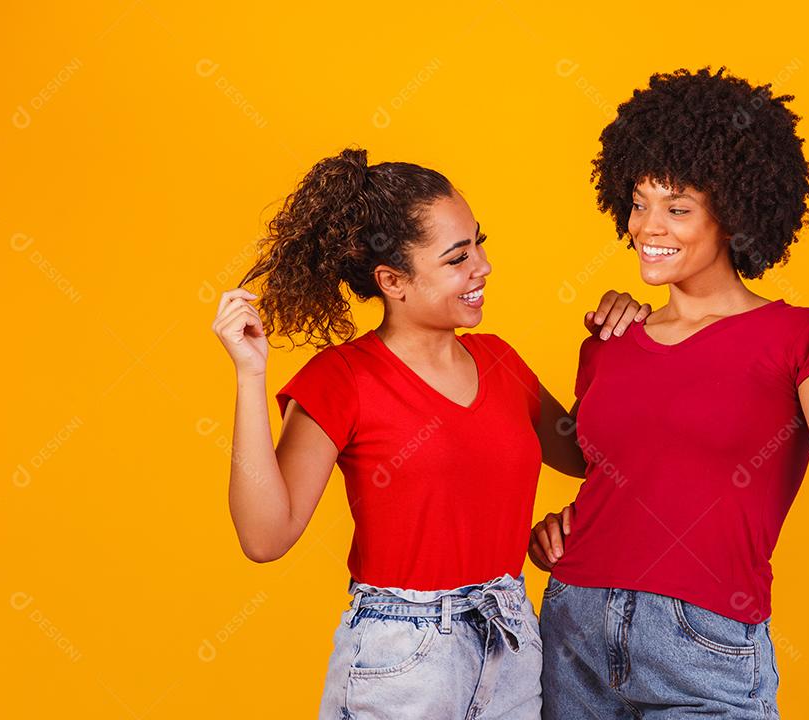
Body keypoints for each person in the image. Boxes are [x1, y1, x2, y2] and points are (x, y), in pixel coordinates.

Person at [211, 147, 649, 719]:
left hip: (512, 640)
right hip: (402, 659)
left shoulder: (499, 361)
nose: (483, 266)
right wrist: (250, 375)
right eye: (457, 258)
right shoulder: (343, 379)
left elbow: (595, 458)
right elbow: (265, 538)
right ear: (392, 280)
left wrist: (624, 342)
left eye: (479, 243)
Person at [529, 67, 809, 719]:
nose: (649, 226)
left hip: (701, 640)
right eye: (640, 202)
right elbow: (616, 475)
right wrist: (555, 532)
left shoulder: (802, 337)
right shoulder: (610, 336)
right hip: (573, 626)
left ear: (733, 216)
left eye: (677, 208)